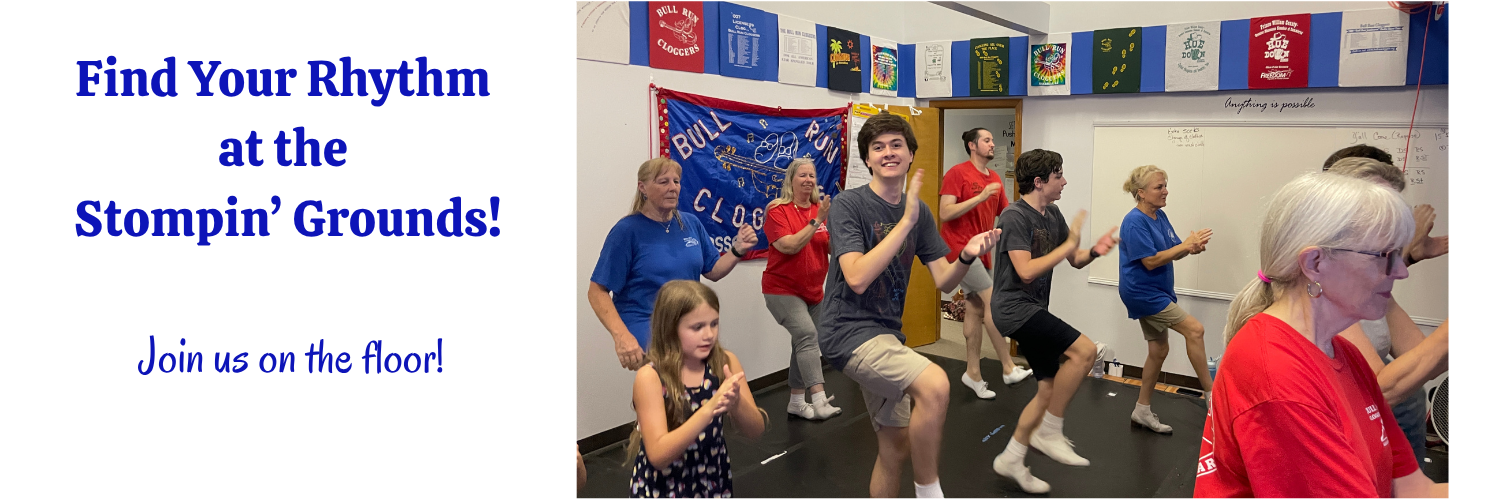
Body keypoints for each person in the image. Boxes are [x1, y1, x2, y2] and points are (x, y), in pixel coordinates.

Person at [1195, 172, 1445, 497]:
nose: (1402, 270)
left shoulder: (1344, 352)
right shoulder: (1276, 374)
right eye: (1385, 256)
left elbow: (1413, 488)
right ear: (1315, 262)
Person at [818, 112, 1003, 498]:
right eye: (878, 147)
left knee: (895, 446)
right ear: (867, 159)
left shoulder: (920, 214)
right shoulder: (848, 205)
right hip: (846, 331)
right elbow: (855, 276)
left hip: (886, 334)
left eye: (896, 144)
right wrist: (904, 222)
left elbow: (943, 281)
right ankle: (929, 491)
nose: (888, 152)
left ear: (910, 154)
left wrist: (966, 256)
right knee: (935, 384)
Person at [989, 149, 1119, 494]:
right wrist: (1069, 244)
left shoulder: (1053, 213)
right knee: (1085, 352)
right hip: (1013, 307)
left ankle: (1012, 457)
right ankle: (1049, 431)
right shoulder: (1013, 216)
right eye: (1058, 176)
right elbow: (1026, 270)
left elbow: (1074, 259)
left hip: (1032, 308)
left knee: (1047, 389)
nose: (1064, 182)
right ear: (1039, 182)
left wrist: (1093, 249)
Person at [1323, 156, 1450, 467]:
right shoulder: (1322, 288)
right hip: (1340, 436)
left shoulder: (1370, 284)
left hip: (1381, 425)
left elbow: (1425, 360)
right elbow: (1378, 389)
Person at [589, 157, 759, 371]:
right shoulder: (626, 231)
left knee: (714, 375)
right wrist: (622, 336)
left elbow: (713, 271)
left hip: (688, 320)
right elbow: (597, 291)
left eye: (676, 181)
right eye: (663, 182)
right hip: (646, 321)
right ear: (643, 187)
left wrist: (738, 249)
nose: (672, 188)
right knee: (673, 381)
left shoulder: (690, 223)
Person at [625, 280, 767, 498]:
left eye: (714, 324)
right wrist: (710, 408)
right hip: (663, 486)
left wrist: (737, 403)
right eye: (697, 327)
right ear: (671, 329)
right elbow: (659, 455)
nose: (709, 334)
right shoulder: (651, 377)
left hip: (711, 479)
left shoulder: (724, 362)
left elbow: (755, 430)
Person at [1116, 165, 1214, 434]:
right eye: (1159, 187)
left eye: (1165, 185)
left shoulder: (1159, 216)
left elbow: (1171, 251)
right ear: (1141, 193)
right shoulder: (1134, 221)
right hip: (1142, 293)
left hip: (1157, 291)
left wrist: (1189, 248)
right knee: (1195, 330)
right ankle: (1212, 398)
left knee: (1159, 350)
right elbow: (1150, 261)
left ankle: (1142, 410)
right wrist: (1185, 245)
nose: (1165, 190)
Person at [939, 127, 1032, 400]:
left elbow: (1006, 213)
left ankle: (973, 374)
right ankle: (1008, 366)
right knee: (994, 302)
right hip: (959, 250)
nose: (993, 144)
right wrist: (979, 197)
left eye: (993, 140)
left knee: (975, 308)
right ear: (972, 145)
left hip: (984, 252)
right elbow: (945, 213)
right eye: (987, 140)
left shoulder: (995, 179)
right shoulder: (957, 173)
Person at [763, 158, 842, 420]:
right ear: (791, 180)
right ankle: (819, 399)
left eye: (812, 175)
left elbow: (829, 247)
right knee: (807, 335)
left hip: (814, 291)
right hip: (781, 290)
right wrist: (816, 220)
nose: (808, 180)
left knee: (803, 342)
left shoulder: (820, 209)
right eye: (802, 175)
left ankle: (797, 402)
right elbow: (788, 246)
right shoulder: (778, 210)